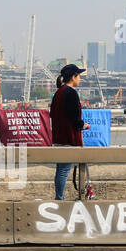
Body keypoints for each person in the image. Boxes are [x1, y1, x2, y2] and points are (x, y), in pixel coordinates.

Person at [50, 64, 89, 200]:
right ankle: (59, 199)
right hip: (68, 138)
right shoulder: (71, 93)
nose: (80, 79)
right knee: (64, 170)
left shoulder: (59, 92)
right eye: (79, 76)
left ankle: (59, 197)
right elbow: (74, 118)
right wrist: (84, 125)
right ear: (73, 77)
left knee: (60, 169)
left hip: (58, 136)